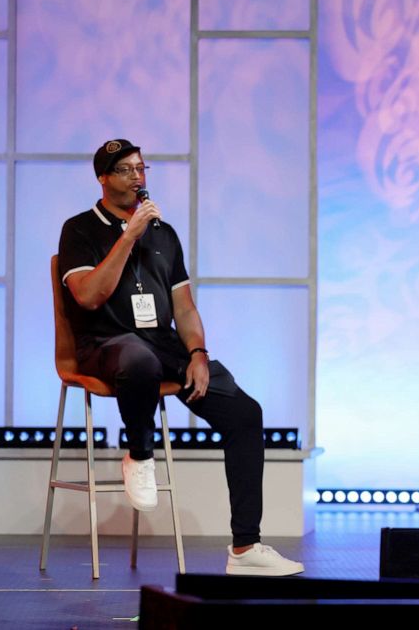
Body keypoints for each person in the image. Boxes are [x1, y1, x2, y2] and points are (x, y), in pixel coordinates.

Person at [57, 139, 303, 576]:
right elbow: (90, 297)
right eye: (125, 170)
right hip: (104, 344)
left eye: (140, 168)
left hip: (161, 343)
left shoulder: (164, 234)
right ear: (103, 178)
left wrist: (197, 352)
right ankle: (139, 452)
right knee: (138, 360)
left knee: (245, 414)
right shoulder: (79, 229)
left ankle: (245, 548)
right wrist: (128, 236)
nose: (137, 177)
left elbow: (184, 308)